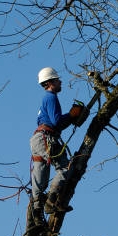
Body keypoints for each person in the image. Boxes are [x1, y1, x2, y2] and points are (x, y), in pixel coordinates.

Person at [30, 67, 87, 225]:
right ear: (49, 83)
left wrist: (69, 118)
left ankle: (37, 215)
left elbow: (54, 123)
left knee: (39, 180)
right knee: (65, 168)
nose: (60, 81)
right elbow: (56, 122)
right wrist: (71, 115)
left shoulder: (45, 99)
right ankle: (51, 201)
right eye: (57, 80)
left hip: (38, 139)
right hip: (46, 139)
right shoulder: (51, 98)